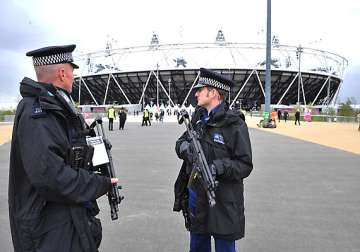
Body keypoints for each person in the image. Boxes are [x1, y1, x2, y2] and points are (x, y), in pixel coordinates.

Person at [8, 45, 118, 252]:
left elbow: (67, 153)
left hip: (66, 222)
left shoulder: (57, 106)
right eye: (72, 71)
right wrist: (99, 183)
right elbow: (51, 177)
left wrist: (94, 150)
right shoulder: (37, 113)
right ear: (62, 73)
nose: (74, 77)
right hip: (50, 231)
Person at [174, 68, 253, 252]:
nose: (196, 93)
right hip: (197, 197)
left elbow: (245, 165)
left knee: (224, 248)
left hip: (223, 200)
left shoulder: (234, 124)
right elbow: (180, 143)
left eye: (200, 89)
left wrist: (218, 167)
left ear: (214, 92)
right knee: (197, 247)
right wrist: (187, 150)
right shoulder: (198, 119)